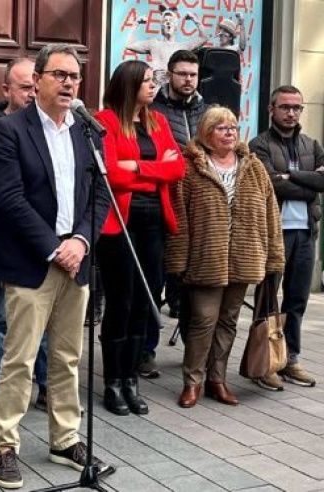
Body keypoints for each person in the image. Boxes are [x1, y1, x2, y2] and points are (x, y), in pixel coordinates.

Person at [0, 43, 113, 489]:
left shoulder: (87, 131)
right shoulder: (10, 130)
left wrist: (79, 241)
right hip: (30, 262)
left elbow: (101, 196)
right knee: (19, 358)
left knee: (67, 356)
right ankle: (5, 445)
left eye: (74, 77)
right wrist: (54, 247)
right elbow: (9, 199)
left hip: (75, 261)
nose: (68, 83)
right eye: (59, 74)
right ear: (37, 79)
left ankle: (64, 439)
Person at [167, 106, 284, 407]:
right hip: (206, 259)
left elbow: (271, 214)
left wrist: (273, 258)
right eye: (221, 128)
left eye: (233, 126)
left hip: (245, 257)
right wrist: (179, 261)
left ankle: (217, 379)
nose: (230, 132)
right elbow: (180, 218)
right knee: (204, 320)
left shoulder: (253, 166)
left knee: (229, 321)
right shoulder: (192, 168)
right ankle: (192, 381)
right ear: (207, 133)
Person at [94, 60, 185, 417]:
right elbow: (110, 174)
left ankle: (131, 379)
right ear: (129, 85)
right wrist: (153, 171)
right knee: (122, 301)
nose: (154, 87)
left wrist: (139, 168)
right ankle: (113, 382)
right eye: (148, 81)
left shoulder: (157, 121)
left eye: (154, 81)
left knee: (146, 302)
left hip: (154, 224)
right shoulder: (105, 121)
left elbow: (177, 167)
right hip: (119, 225)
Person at [0, 57, 50, 431]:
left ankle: (48, 387)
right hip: (10, 242)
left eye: (35, 86)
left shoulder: (55, 127)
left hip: (50, 244)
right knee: (2, 319)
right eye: (24, 87)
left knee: (50, 319)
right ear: (7, 90)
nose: (32, 93)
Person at [250, 85, 324, 391]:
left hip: (305, 232)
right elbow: (269, 184)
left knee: (297, 300)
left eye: (296, 107)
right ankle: (264, 362)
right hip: (273, 232)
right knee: (267, 299)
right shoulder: (259, 144)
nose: (291, 113)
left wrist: (288, 176)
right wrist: (308, 182)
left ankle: (291, 358)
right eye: (285, 107)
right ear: (271, 110)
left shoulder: (311, 144)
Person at [144, 49, 208, 375]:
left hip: (198, 209)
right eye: (182, 73)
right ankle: (146, 351)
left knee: (192, 283)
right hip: (161, 204)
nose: (187, 80)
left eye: (192, 75)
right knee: (154, 281)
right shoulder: (153, 110)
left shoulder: (208, 110)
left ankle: (194, 355)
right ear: (169, 74)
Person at [125, 6, 208, 87]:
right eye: (165, 21)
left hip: (174, 88)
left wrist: (195, 20)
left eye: (171, 20)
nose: (168, 22)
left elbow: (203, 38)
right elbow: (129, 45)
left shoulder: (183, 47)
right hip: (156, 87)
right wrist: (136, 23)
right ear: (161, 26)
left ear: (176, 25)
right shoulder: (154, 44)